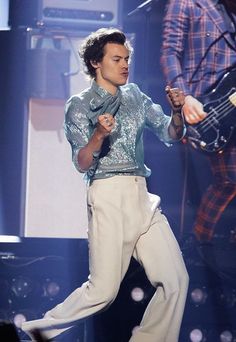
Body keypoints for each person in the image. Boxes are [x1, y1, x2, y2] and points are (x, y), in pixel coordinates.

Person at [21, 28, 189, 342]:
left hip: (142, 194)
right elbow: (82, 162)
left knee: (175, 279)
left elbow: (171, 133)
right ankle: (40, 329)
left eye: (127, 58)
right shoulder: (80, 105)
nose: (125, 64)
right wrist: (98, 135)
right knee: (103, 291)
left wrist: (177, 112)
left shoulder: (136, 96)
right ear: (96, 62)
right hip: (108, 194)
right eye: (117, 59)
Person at [161, 0, 236, 243]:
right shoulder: (186, 2)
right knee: (231, 177)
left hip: (232, 99)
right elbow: (169, 52)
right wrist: (185, 98)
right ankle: (199, 243)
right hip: (206, 107)